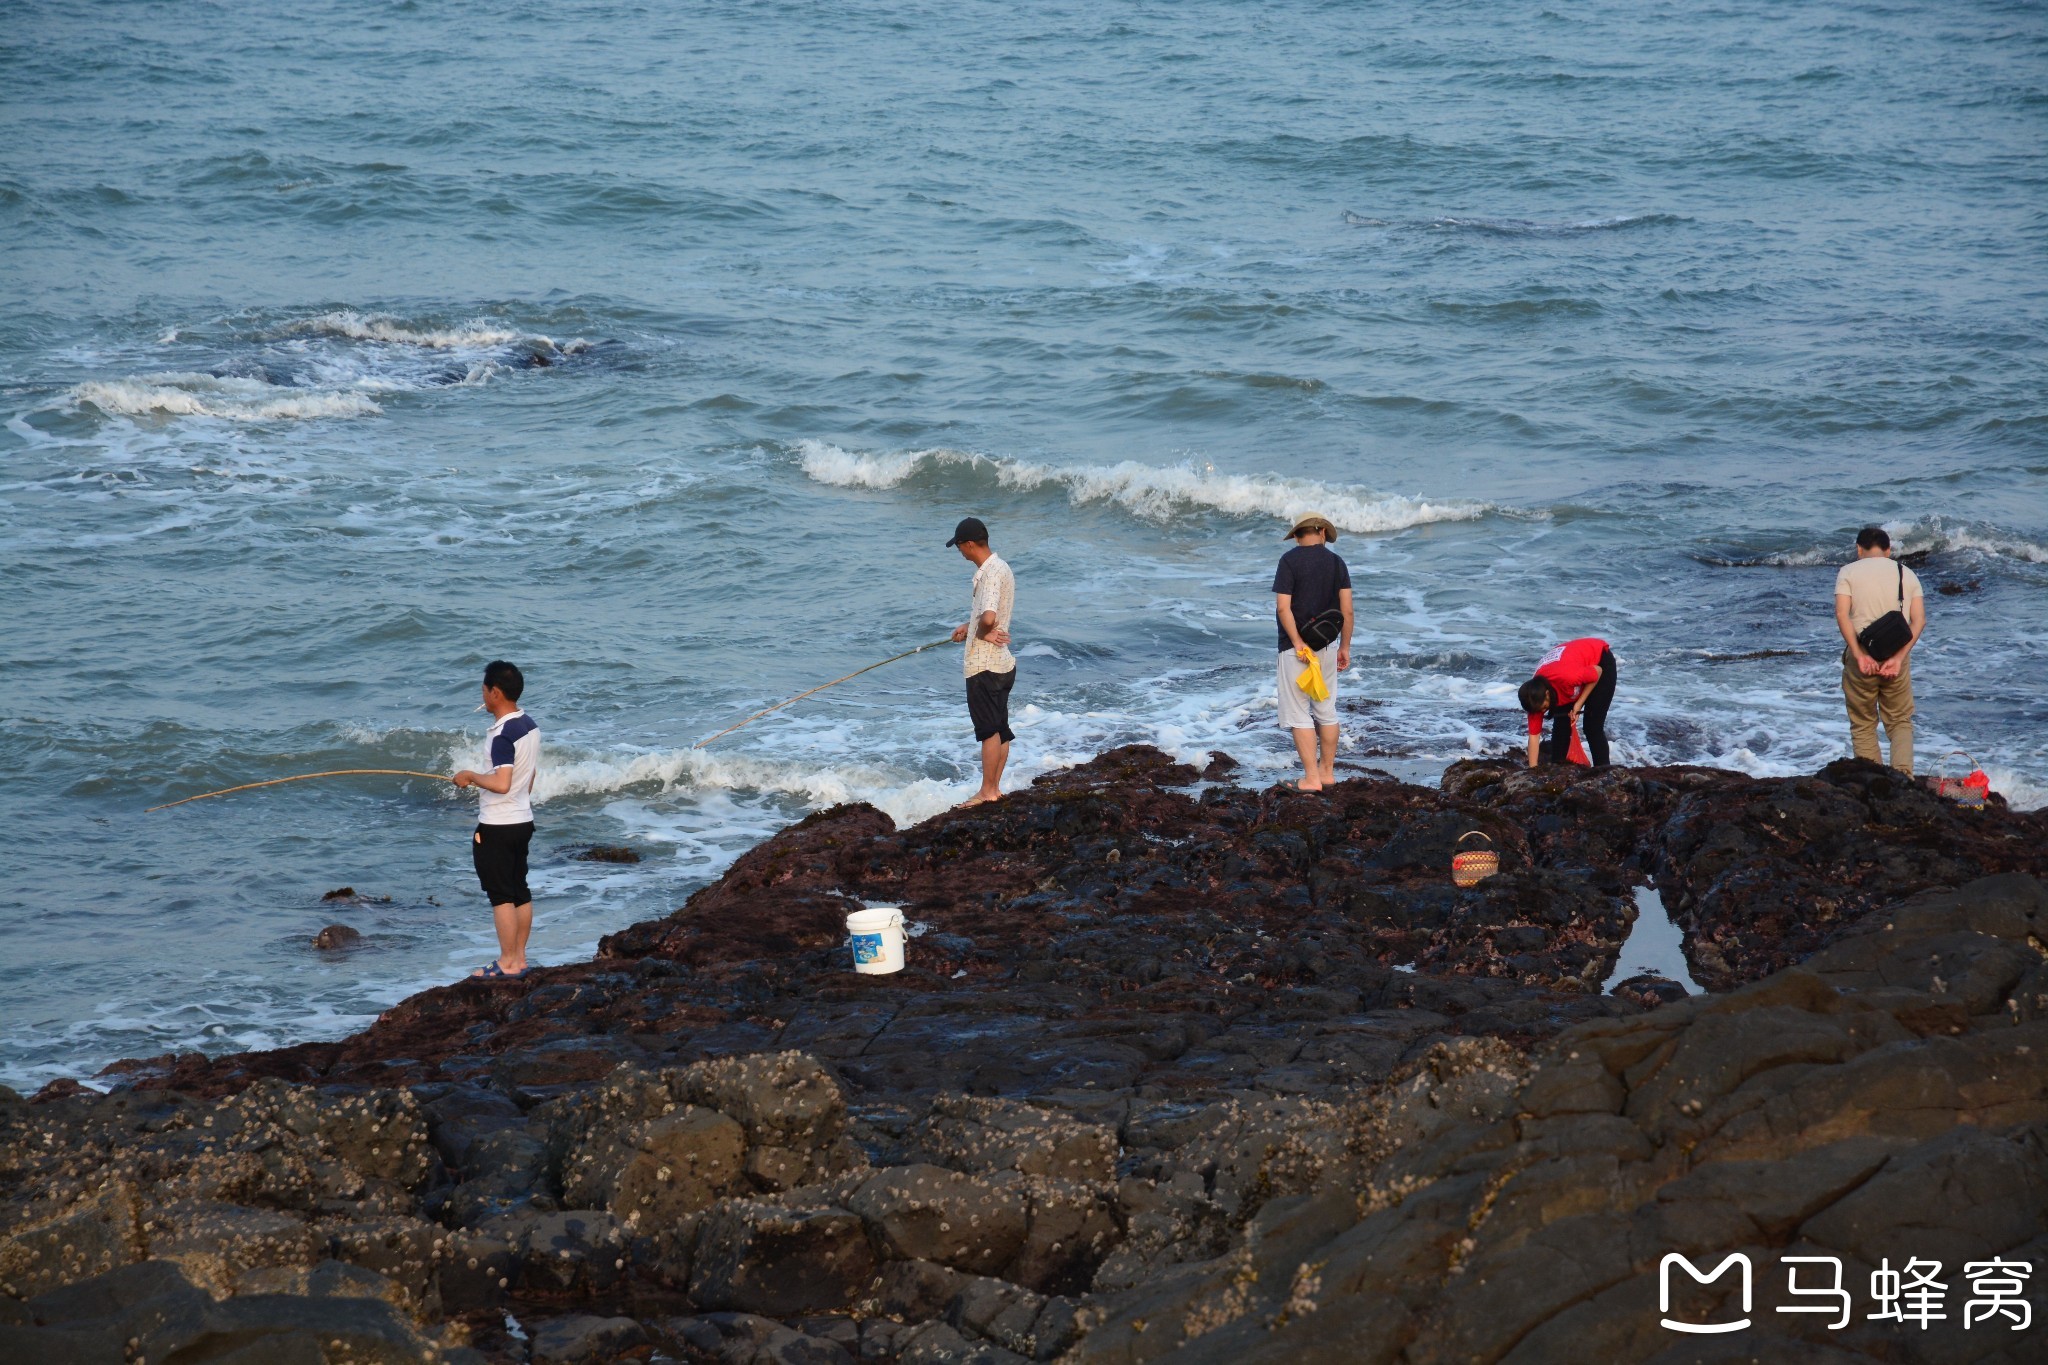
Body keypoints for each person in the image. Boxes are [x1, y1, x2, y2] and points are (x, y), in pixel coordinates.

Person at [451, 660, 541, 978]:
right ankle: (520, 959)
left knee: (501, 895)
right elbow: (528, 776)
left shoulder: (502, 735)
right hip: (523, 820)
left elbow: (502, 783)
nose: (483, 695)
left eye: (485, 690)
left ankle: (506, 962)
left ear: (496, 693)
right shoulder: (529, 725)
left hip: (498, 825)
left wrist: (471, 776)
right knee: (519, 889)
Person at [1833, 525, 1924, 776]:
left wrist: (1860, 654)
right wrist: (1897, 659)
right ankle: (1904, 776)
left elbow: (1842, 614)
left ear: (1858, 549)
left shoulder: (1848, 571)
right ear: (1888, 549)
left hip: (1863, 655)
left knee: (1863, 723)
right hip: (1897, 655)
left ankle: (1872, 780)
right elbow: (1919, 621)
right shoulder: (1906, 572)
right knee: (1899, 721)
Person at [1272, 514, 1353, 792]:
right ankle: (1327, 774)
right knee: (1326, 710)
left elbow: (1284, 608)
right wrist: (1344, 647)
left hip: (1297, 650)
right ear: (1321, 532)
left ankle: (1310, 780)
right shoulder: (1336, 562)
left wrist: (1296, 642)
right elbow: (1347, 610)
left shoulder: (1289, 561)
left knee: (1298, 713)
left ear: (1296, 536)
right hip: (1328, 647)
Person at [947, 517, 1015, 805]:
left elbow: (989, 617)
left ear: (970, 544)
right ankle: (995, 789)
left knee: (988, 731)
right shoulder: (1002, 568)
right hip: (1003, 665)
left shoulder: (987, 575)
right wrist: (970, 625)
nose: (960, 552)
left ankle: (987, 792)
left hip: (984, 667)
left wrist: (982, 632)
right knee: (1000, 729)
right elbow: (988, 613)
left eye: (960, 546)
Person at [1518, 638, 1616, 768]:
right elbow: (1534, 737)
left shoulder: (1569, 677)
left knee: (1592, 727)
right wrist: (1533, 771)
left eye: (1544, 708)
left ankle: (1604, 770)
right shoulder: (1533, 697)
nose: (1543, 712)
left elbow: (1597, 672)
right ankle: (1557, 767)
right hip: (1569, 665)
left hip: (1600, 661)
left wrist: (1578, 704)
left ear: (1547, 694)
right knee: (1561, 724)